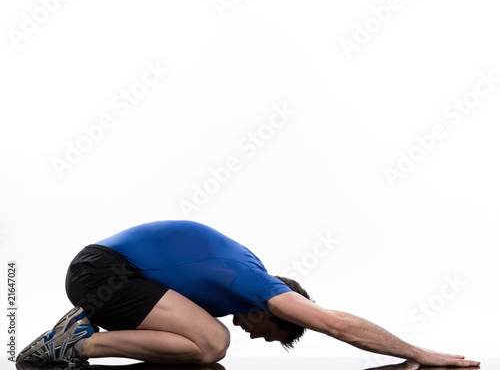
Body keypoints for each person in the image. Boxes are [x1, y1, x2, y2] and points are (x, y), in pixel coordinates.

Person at [17, 220, 479, 368]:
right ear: (275, 308)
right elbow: (335, 324)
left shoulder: (237, 280)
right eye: (271, 332)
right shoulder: (256, 285)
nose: (258, 338)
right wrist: (423, 353)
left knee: (201, 356)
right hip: (103, 273)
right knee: (214, 343)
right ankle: (73, 342)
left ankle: (74, 341)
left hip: (116, 281)